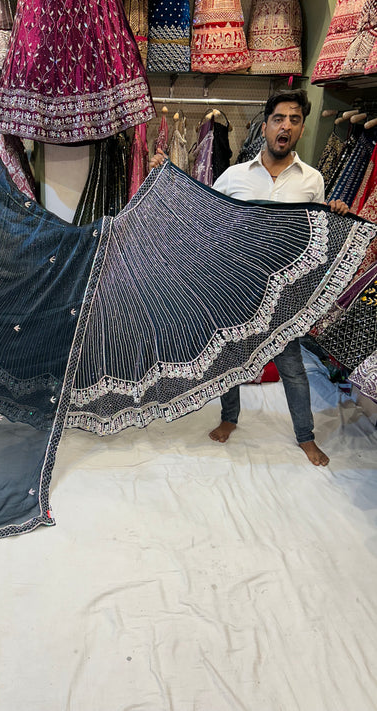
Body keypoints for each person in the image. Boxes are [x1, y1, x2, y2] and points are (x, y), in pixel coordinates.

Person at [150, 89, 349, 466]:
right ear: (266, 126)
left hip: (286, 294)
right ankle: (229, 419)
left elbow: (316, 232)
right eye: (279, 118)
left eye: (293, 119)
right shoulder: (235, 175)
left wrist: (336, 212)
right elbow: (203, 211)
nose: (285, 126)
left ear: (302, 128)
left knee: (292, 368)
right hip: (240, 288)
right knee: (232, 360)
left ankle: (305, 437)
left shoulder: (312, 181)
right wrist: (168, 176)